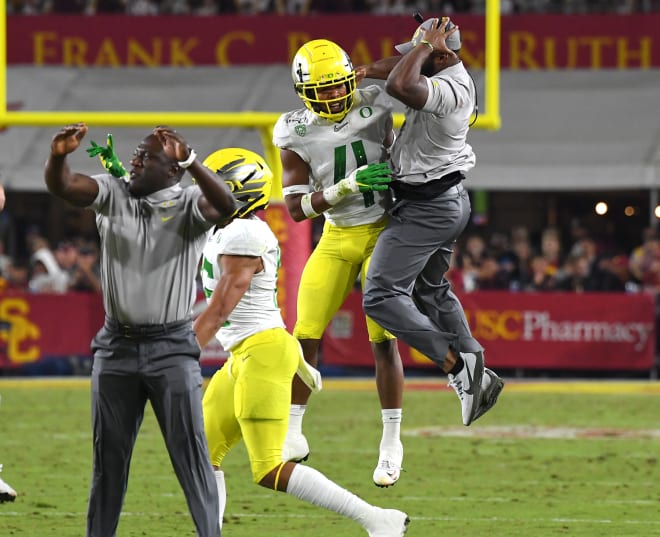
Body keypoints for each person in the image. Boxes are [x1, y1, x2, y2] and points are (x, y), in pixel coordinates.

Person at [194, 147, 410, 537]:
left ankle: (377, 519)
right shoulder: (226, 229)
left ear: (238, 192)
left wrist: (181, 351)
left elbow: (222, 307)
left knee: (268, 468)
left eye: (211, 186)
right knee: (201, 453)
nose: (201, 193)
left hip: (263, 354)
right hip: (243, 355)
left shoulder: (245, 231)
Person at [44, 123, 238, 537]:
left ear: (172, 170)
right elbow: (64, 187)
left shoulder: (189, 203)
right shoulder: (112, 191)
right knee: (107, 463)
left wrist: (192, 162)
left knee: (192, 461)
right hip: (115, 346)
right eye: (135, 153)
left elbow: (226, 206)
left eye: (146, 157)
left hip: (170, 348)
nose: (133, 160)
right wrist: (59, 155)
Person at [272, 38, 406, 487]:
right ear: (303, 92)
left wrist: (369, 69)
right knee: (304, 332)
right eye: (322, 89)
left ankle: (391, 441)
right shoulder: (293, 129)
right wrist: (347, 186)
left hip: (382, 231)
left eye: (338, 85)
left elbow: (412, 72)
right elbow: (295, 209)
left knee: (381, 337)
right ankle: (293, 430)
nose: (332, 95)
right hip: (336, 234)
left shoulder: (373, 99)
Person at [360, 16, 504, 426]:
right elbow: (400, 71)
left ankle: (456, 368)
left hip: (428, 210)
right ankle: (476, 366)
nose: (410, 59)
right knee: (430, 289)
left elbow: (400, 84)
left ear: (440, 54)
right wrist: (368, 69)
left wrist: (425, 46)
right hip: (442, 200)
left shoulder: (451, 90)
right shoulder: (441, 70)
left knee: (381, 295)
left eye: (421, 53)